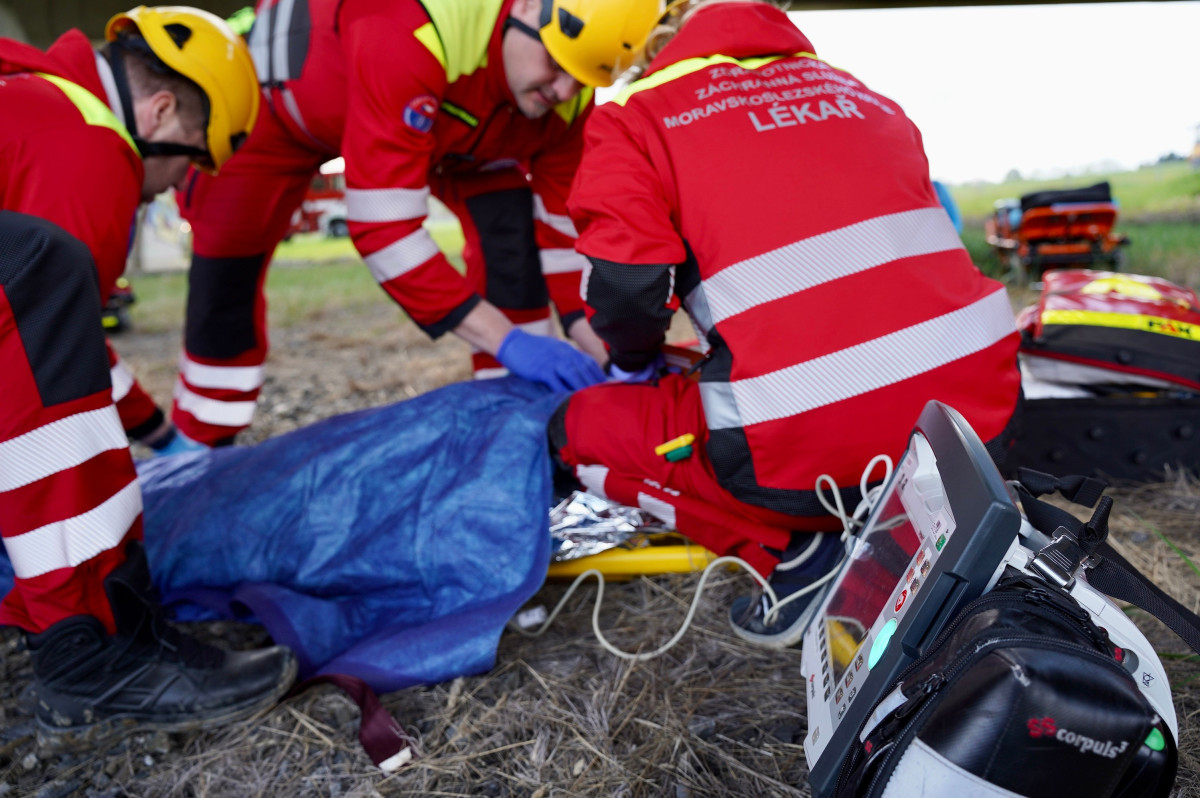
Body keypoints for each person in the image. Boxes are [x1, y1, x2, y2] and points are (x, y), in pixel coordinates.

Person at [543, 0, 1023, 646]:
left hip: (803, 451)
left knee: (576, 428)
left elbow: (628, 290)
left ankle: (794, 555)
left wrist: (631, 362)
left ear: (643, 45)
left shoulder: (636, 117)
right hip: (970, 424)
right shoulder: (867, 97)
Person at [0, 6, 296, 747]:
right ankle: (92, 645)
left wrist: (161, 436)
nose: (171, 189)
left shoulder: (31, 98)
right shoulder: (91, 146)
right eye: (193, 159)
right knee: (48, 273)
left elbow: (47, 342)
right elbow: (45, 364)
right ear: (162, 109)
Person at [158, 0, 607, 447]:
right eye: (555, 61)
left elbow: (566, 235)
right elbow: (387, 233)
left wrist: (607, 345)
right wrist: (511, 343)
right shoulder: (407, 25)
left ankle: (523, 426)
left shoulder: (565, 94)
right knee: (226, 277)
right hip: (273, 112)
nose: (565, 90)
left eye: (582, 74)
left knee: (511, 235)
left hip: (457, 124)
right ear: (527, 8)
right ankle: (200, 442)